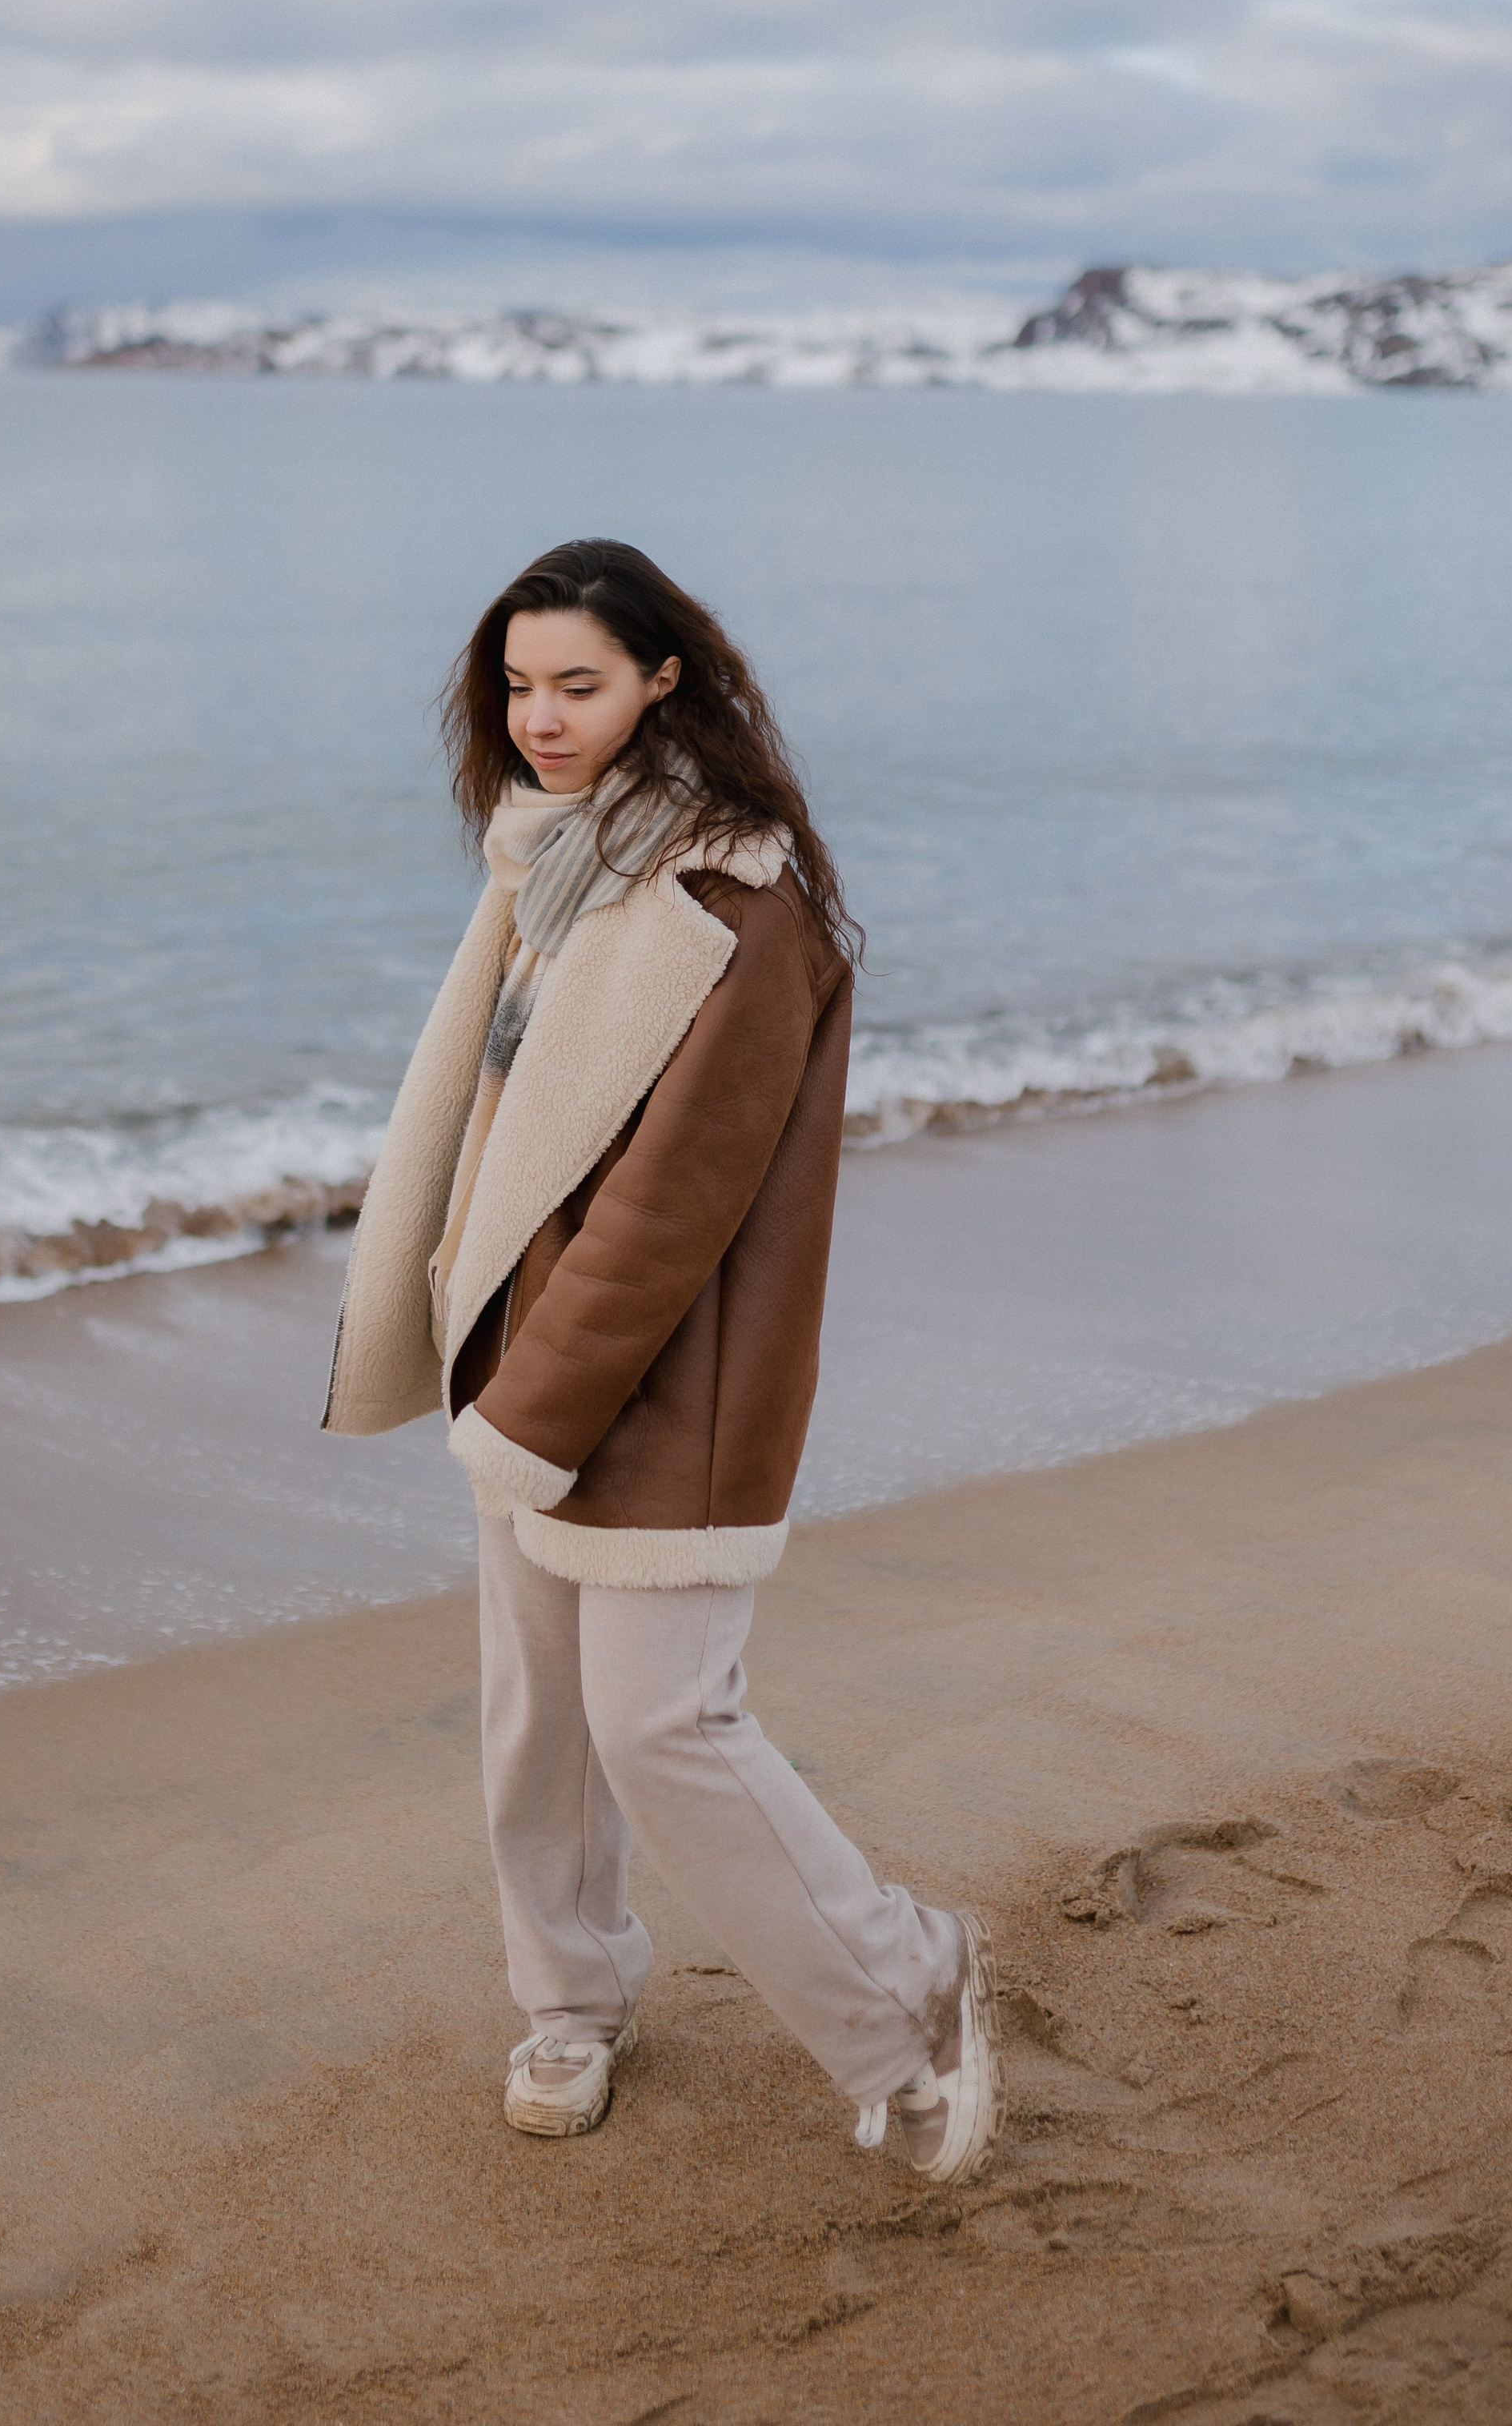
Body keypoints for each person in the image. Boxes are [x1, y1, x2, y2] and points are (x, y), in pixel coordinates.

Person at [324, 536, 1002, 2180]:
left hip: (663, 1387)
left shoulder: (731, 901)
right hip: (519, 1354)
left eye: (579, 684)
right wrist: (470, 1343)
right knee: (533, 1724)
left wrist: (533, 1409)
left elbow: (670, 1209)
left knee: (663, 1728)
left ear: (660, 682)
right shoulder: (549, 862)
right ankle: (568, 2004)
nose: (541, 718)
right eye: (518, 685)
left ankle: (910, 1987)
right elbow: (492, 1116)